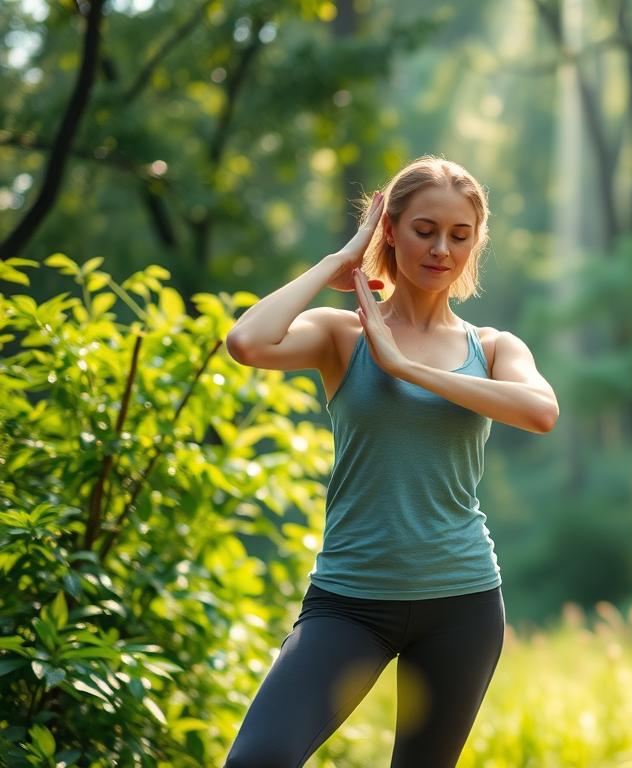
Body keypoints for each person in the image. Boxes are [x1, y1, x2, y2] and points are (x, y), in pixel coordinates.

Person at [221, 155, 558, 767]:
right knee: (257, 760)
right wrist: (339, 261)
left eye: (460, 235)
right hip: (350, 600)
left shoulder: (494, 347)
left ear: (476, 242)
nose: (441, 249)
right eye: (424, 229)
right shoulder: (340, 334)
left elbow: (540, 412)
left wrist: (408, 368)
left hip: (462, 603)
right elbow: (246, 342)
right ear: (390, 230)